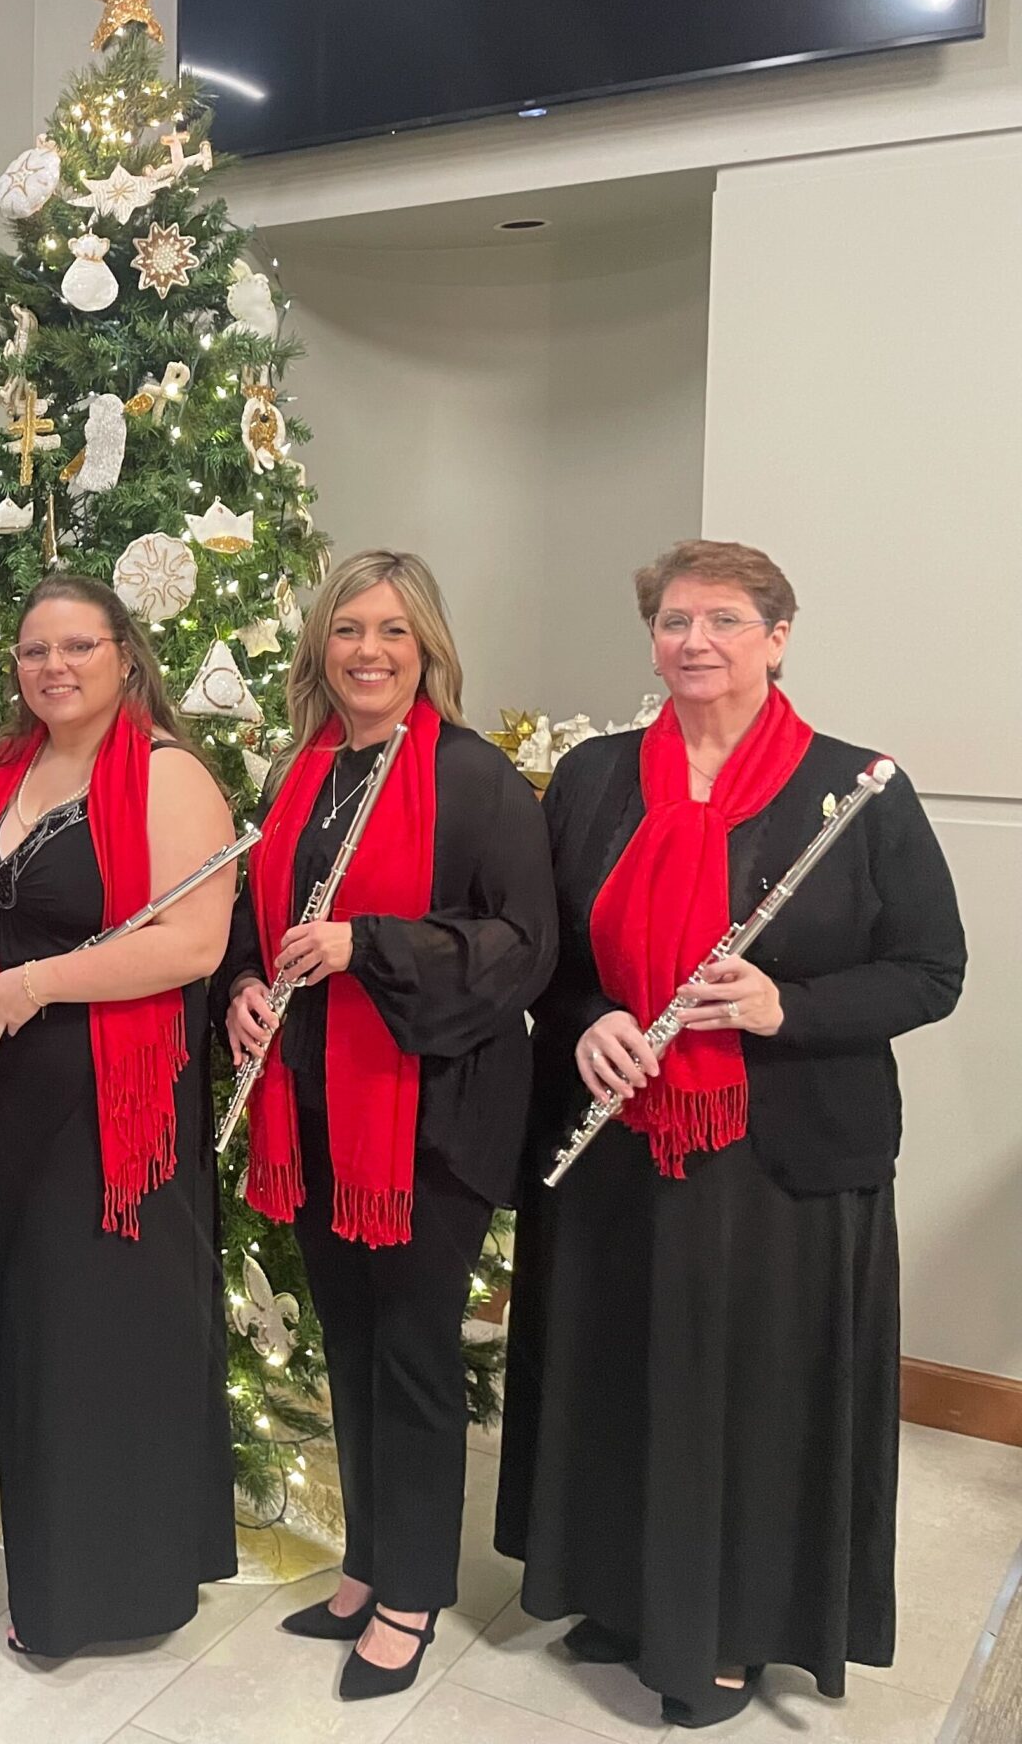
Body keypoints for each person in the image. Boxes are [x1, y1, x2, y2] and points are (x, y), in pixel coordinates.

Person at [496, 539, 965, 1730]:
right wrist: (587, 1017)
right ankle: (616, 1589)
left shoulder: (856, 787)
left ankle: (732, 1627)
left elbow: (929, 970)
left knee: (747, 1395)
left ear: (777, 635)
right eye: (670, 620)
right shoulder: (597, 777)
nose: (691, 641)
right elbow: (545, 952)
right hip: (618, 1139)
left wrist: (781, 1008)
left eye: (720, 619)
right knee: (618, 1372)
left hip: (781, 1156)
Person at [215, 550, 555, 1700]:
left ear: (428, 650)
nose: (366, 651)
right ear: (321, 648)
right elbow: (255, 924)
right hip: (312, 1110)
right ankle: (366, 1563)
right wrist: (242, 993)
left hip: (427, 1118)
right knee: (349, 1349)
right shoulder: (302, 772)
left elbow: (523, 947)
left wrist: (373, 944)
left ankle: (410, 1592)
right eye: (347, 630)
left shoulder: (476, 779)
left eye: (392, 633)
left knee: (410, 1355)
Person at [0, 572, 237, 1657]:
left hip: (119, 1107)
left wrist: (33, 986)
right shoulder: (2, 773)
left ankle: (123, 1591)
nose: (52, 667)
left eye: (76, 646)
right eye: (32, 651)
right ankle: (55, 1579)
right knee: (37, 1346)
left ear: (123, 653)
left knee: (111, 1343)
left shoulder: (167, 775)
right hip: (11, 1090)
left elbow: (192, 945)